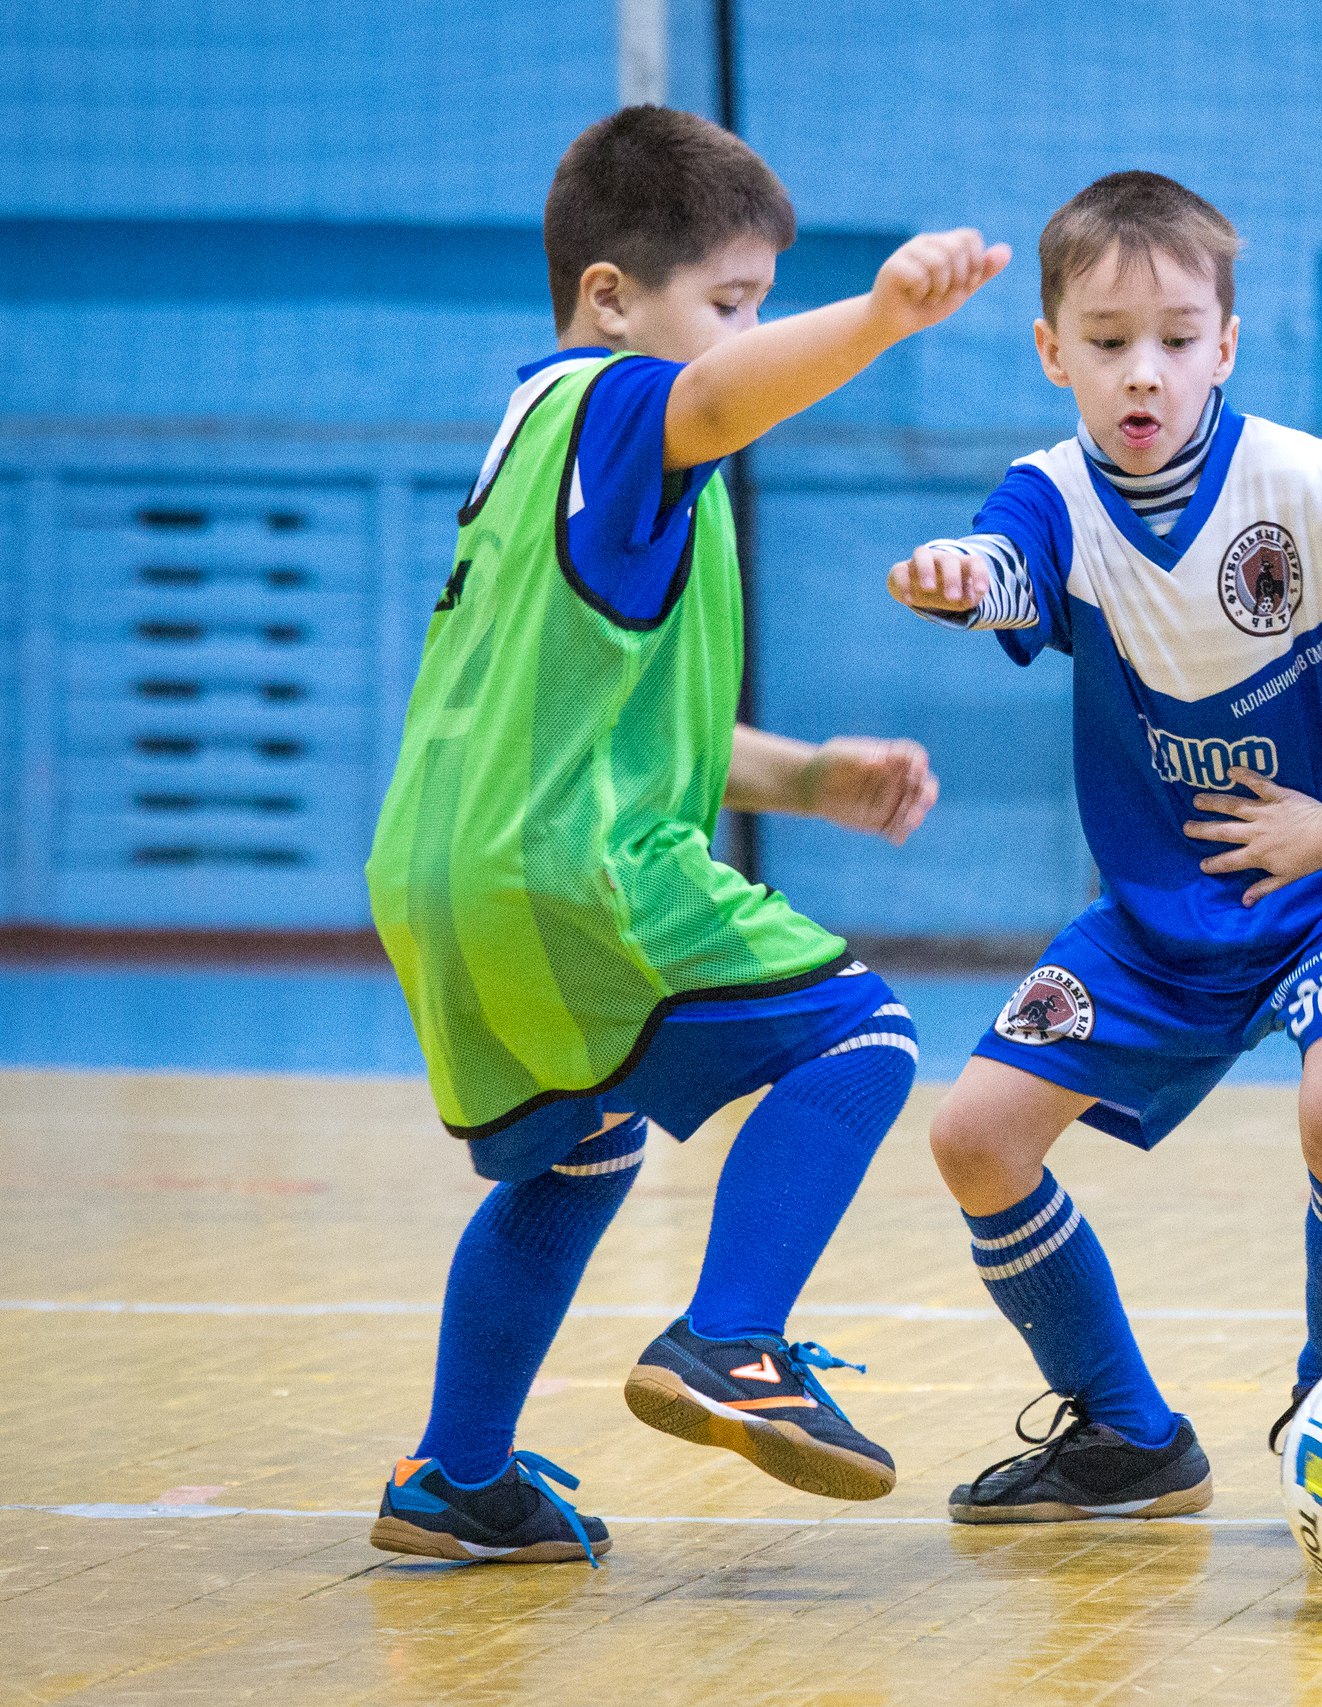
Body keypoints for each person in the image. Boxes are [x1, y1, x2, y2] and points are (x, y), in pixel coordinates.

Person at [363, 104, 1006, 1564]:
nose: (743, 338)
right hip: (565, 867)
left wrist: (809, 777)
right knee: (861, 1040)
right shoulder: (615, 406)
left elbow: (604, 726)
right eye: (727, 305)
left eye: (761, 309)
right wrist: (879, 315)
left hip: (446, 873)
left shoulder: (530, 448)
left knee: (577, 1150)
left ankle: (458, 1475)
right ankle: (734, 1337)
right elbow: (711, 404)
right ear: (610, 298)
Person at [886, 172, 1322, 1524]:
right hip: (1157, 913)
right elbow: (1009, 567)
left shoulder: (1303, 486)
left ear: (1228, 345)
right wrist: (959, 576)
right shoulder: (1047, 496)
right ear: (1050, 352)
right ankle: (1129, 1431)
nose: (1144, 371)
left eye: (1178, 338)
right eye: (1106, 340)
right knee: (974, 1136)